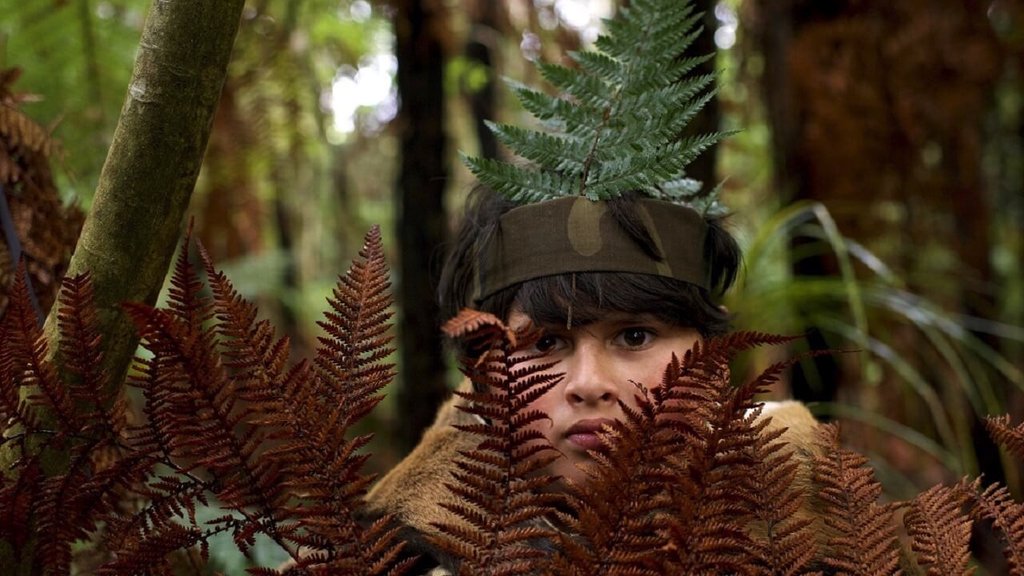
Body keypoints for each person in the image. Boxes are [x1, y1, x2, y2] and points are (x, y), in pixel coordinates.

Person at [360, 187, 822, 574]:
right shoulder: (384, 552)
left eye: (635, 336)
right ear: (489, 381)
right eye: (545, 345)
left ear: (712, 359)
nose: (588, 383)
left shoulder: (819, 515)